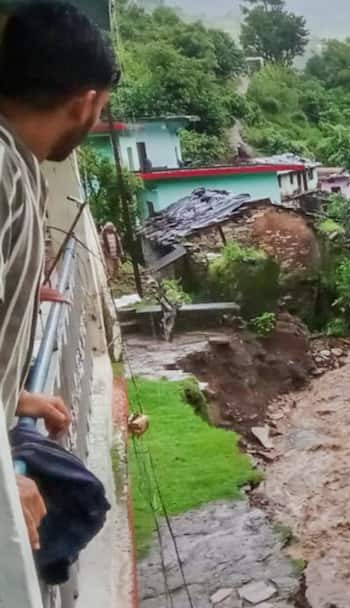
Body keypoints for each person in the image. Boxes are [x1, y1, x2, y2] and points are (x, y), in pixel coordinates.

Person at [0, 1, 120, 550]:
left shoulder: (19, 164)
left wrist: (17, 397)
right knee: (78, 504)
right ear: (85, 103)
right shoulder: (3, 175)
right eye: (102, 111)